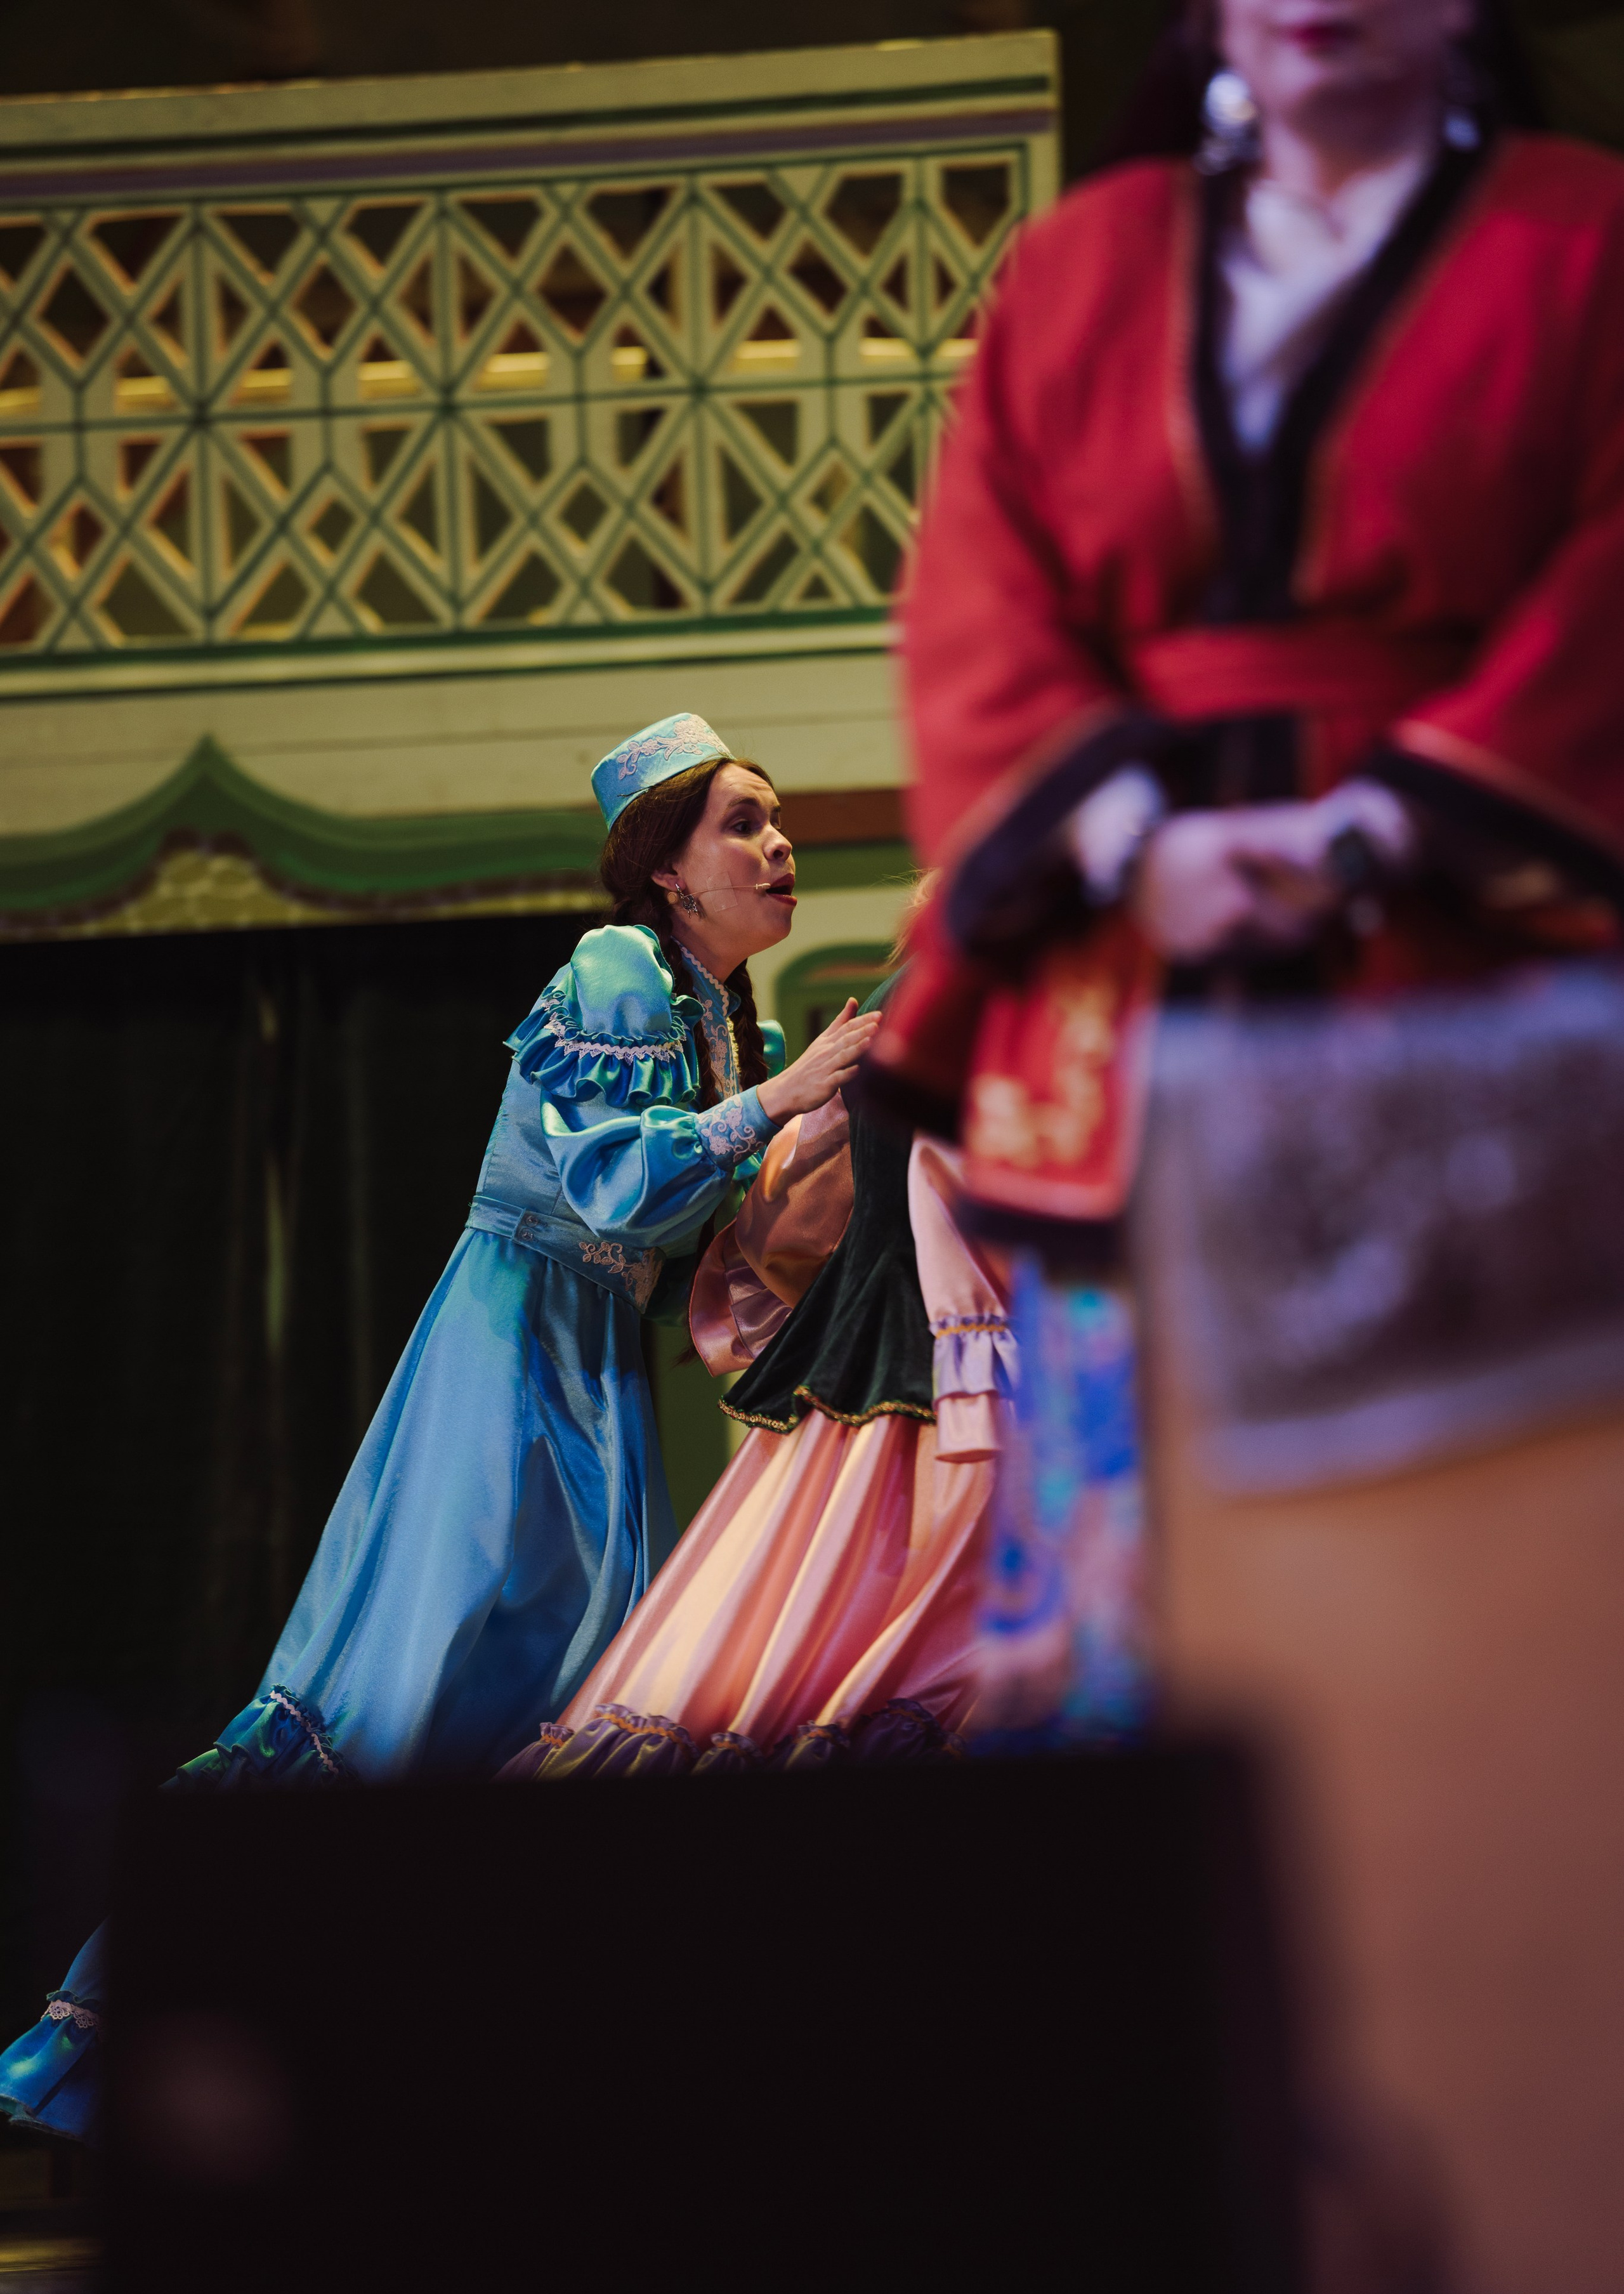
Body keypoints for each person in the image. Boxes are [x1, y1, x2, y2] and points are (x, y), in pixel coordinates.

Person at [868, 0, 1624, 1720]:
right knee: (1120, 1603)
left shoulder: (1588, 241)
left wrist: (1386, 825)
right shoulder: (1081, 270)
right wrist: (1138, 844)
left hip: (1483, 978)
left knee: (1489, 1604)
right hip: (1129, 995)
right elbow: (981, 599)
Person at [0, 711, 879, 2137]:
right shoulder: (613, 967)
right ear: (665, 871)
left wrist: (806, 1136)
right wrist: (778, 1108)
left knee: (560, 1711)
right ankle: (112, 2042)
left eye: (777, 823)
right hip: (502, 1354)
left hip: (593, 1373)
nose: (776, 846)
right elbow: (604, 1186)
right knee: (394, 1704)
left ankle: (444, 2071)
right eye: (740, 822)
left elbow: (682, 1248)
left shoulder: (740, 1025)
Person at [499, 993, 1015, 1779]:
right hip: (975, 1352)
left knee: (773, 1639)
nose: (784, 859)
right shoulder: (1012, 995)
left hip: (858, 1354)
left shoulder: (891, 1007)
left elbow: (784, 1228)